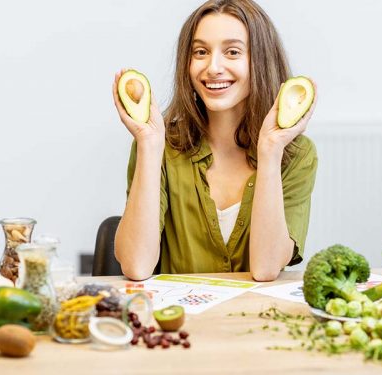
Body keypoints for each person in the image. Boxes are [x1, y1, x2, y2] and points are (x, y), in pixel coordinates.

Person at [112, 0, 318, 282]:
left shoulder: (296, 153)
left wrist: (270, 151)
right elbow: (136, 265)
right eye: (200, 52)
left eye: (232, 52)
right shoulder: (159, 147)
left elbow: (266, 268)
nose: (213, 67)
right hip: (181, 321)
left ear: (261, 60)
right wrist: (148, 145)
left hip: (255, 320)